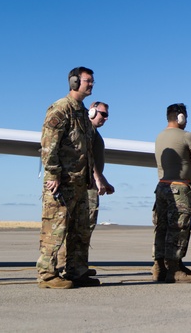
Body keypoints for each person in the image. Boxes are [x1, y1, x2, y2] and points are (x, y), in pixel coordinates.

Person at [36, 66, 99, 289]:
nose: (91, 84)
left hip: (81, 182)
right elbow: (48, 144)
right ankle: (46, 274)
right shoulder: (61, 109)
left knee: (80, 230)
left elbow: (86, 148)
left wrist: (91, 175)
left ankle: (76, 270)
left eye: (92, 81)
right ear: (74, 82)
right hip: (62, 182)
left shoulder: (82, 112)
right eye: (87, 81)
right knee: (55, 229)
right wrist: (52, 174)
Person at [57, 100, 114, 277]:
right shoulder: (86, 132)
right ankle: (65, 264)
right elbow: (87, 158)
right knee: (81, 227)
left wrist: (103, 180)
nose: (105, 118)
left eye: (107, 115)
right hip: (86, 185)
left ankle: (78, 265)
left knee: (84, 228)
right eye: (102, 114)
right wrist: (98, 179)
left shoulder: (93, 133)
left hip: (90, 184)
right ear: (91, 112)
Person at [153, 103, 191, 283]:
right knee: (179, 228)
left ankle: (159, 267)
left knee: (161, 227)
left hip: (161, 187)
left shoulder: (160, 136)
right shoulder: (186, 136)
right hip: (179, 188)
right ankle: (174, 270)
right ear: (181, 117)